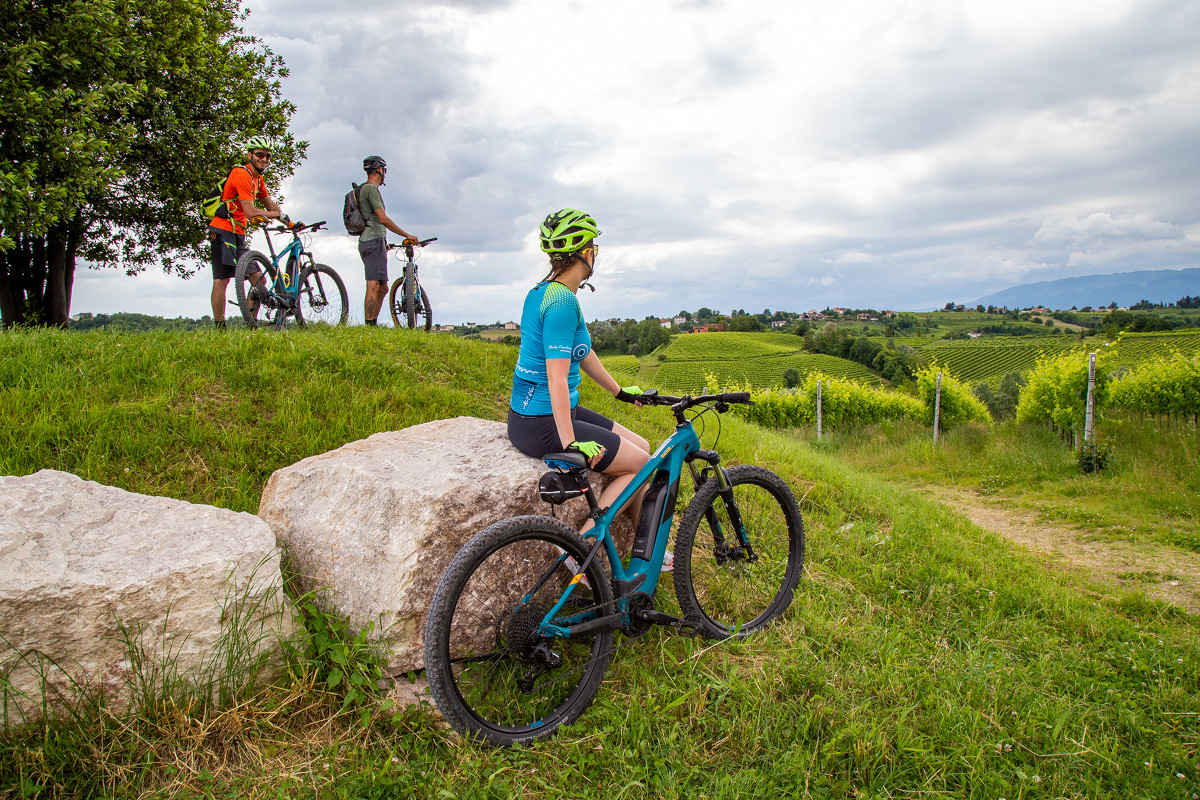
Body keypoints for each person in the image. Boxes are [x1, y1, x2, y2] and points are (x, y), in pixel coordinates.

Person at [507, 208, 657, 548]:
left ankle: (640, 546)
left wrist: (619, 391)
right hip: (543, 424)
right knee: (642, 465)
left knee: (643, 447)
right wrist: (570, 443)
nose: (596, 254)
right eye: (594, 248)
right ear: (586, 253)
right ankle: (581, 545)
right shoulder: (562, 302)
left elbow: (581, 352)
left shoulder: (543, 292)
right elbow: (556, 378)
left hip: (531, 416)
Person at [208, 136, 289, 328]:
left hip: (239, 233)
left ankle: (251, 325)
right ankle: (220, 328)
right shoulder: (242, 174)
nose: (264, 159)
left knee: (258, 279)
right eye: (260, 155)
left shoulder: (257, 179)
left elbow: (270, 205)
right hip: (222, 230)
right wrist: (275, 214)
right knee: (221, 280)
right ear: (249, 155)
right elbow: (250, 212)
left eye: (268, 156)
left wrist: (289, 222)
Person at [357, 155, 419, 325]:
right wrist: (406, 235)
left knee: (383, 288)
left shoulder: (365, 189)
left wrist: (384, 242)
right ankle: (369, 325)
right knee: (373, 285)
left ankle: (373, 322)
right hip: (372, 241)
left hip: (374, 241)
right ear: (380, 170)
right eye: (384, 170)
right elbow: (382, 219)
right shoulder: (371, 189)